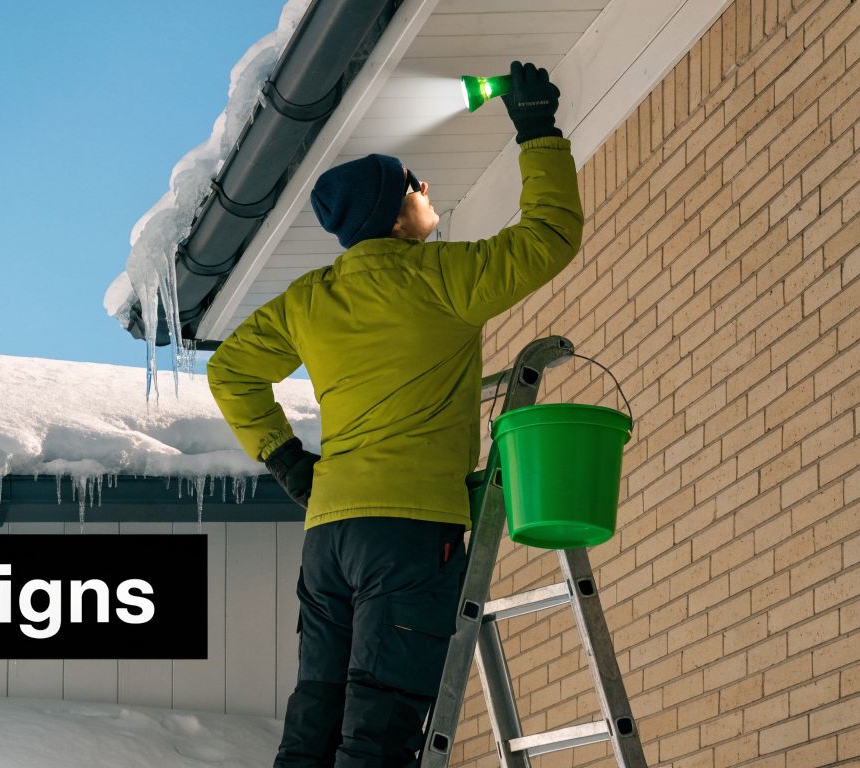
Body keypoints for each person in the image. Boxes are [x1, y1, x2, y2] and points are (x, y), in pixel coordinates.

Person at [206, 61, 583, 767]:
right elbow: (549, 238)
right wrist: (537, 130)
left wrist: (288, 462)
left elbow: (229, 370)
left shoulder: (311, 299)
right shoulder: (442, 279)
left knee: (316, 714)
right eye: (415, 183)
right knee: (379, 724)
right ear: (394, 211)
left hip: (329, 538)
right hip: (407, 534)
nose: (426, 188)